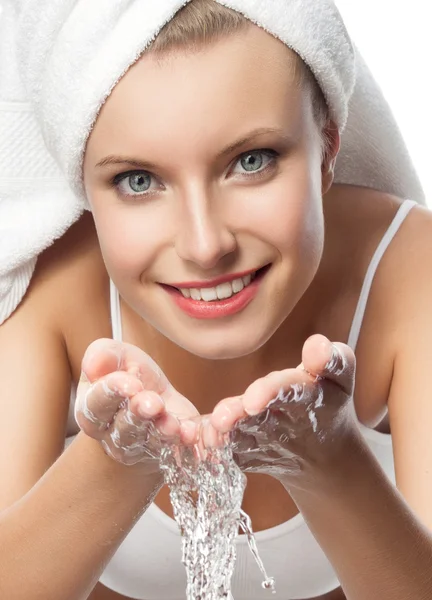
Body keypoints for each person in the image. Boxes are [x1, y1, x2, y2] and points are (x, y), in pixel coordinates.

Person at [0, 1, 431, 599]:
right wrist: (116, 464)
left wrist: (333, 463)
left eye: (251, 162)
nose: (205, 247)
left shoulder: (412, 271)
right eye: (139, 181)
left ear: (328, 147)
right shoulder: (49, 295)